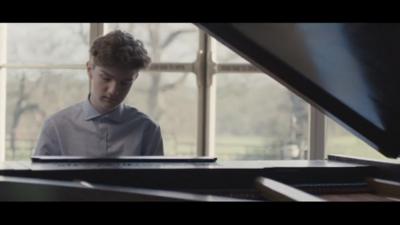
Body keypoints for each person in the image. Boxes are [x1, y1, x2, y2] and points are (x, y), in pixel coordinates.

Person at [33, 30, 164, 157]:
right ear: (90, 71)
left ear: (135, 78)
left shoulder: (148, 130)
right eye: (106, 78)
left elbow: (156, 180)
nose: (113, 91)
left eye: (125, 83)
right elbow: (39, 179)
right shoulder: (56, 127)